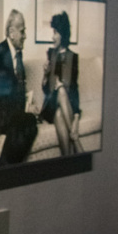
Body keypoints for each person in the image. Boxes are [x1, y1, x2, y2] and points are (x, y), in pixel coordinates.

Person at [0, 10, 38, 167]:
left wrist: (28, 105)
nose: (25, 35)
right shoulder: (0, 54)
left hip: (10, 113)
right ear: (12, 32)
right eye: (22, 31)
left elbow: (18, 90)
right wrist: (25, 109)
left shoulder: (17, 55)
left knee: (28, 120)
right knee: (28, 122)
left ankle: (4, 168)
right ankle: (3, 168)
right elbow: (1, 97)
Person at [40, 11, 82, 156]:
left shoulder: (73, 57)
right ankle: (76, 140)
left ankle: (68, 160)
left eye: (56, 32)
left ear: (63, 34)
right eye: (53, 32)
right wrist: (45, 75)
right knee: (62, 90)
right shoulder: (50, 53)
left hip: (64, 107)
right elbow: (45, 89)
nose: (53, 36)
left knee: (59, 115)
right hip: (50, 104)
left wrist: (76, 116)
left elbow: (75, 89)